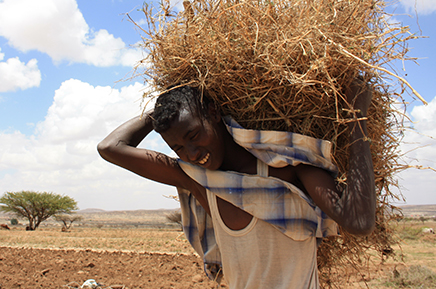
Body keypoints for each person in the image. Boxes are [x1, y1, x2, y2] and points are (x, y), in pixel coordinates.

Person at [97, 83, 375, 289]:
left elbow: (358, 221)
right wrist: (163, 105)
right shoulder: (199, 181)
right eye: (178, 147)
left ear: (214, 112)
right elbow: (110, 147)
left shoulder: (287, 166)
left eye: (194, 135)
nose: (192, 153)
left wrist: (357, 121)